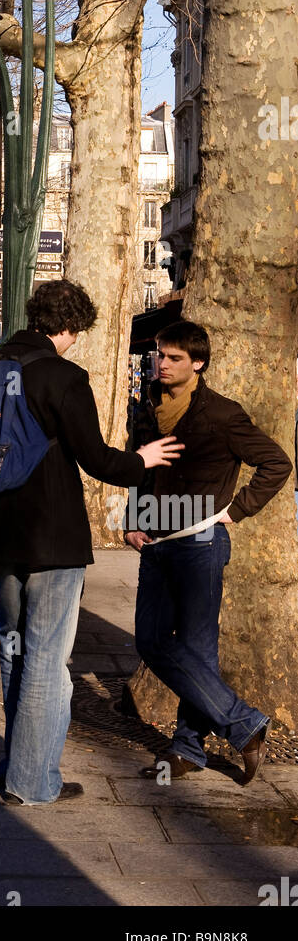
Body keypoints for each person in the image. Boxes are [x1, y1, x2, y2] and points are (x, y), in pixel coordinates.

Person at [0, 279, 182, 806]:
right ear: (71, 328)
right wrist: (141, 463)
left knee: (14, 648)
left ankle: (14, 765)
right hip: (51, 535)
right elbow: (96, 457)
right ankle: (33, 781)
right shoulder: (63, 376)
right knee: (48, 659)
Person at [126, 320, 291, 785]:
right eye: (160, 354)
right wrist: (132, 521)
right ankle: (243, 723)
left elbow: (276, 463)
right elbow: (143, 472)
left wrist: (236, 512)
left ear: (197, 363)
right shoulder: (147, 411)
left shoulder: (222, 414)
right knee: (151, 640)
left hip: (202, 541)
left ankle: (186, 750)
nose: (162, 362)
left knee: (198, 648)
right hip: (156, 542)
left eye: (174, 357)